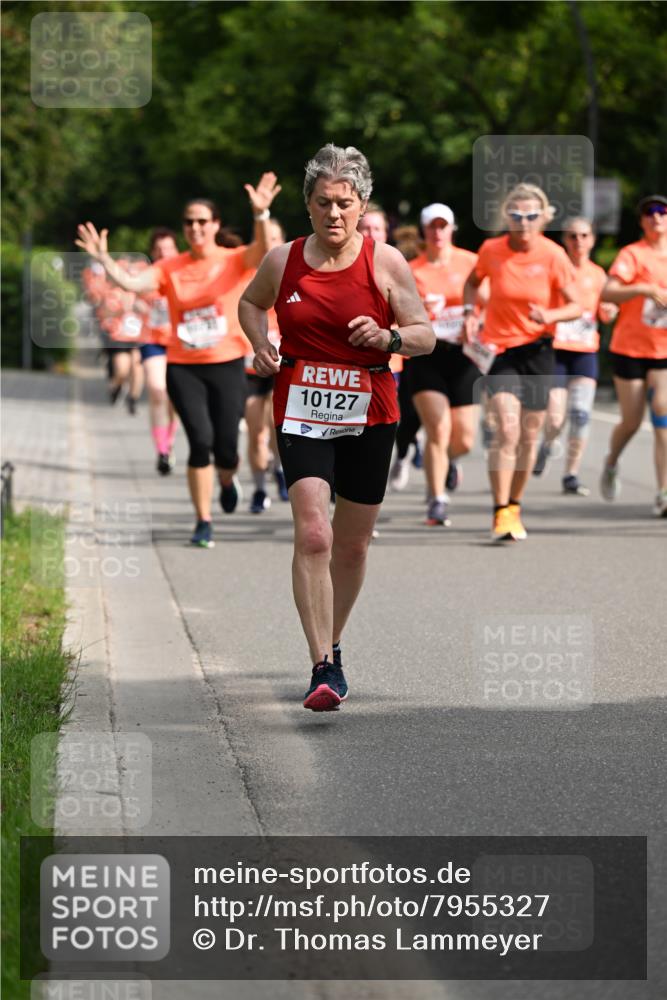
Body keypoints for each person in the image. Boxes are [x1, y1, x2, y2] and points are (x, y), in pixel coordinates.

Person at [239, 144, 434, 711]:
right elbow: (250, 304)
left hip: (371, 408)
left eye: (344, 204)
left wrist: (390, 338)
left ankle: (336, 641)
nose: (333, 214)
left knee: (350, 545)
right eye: (323, 203)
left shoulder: (386, 261)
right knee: (315, 533)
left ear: (362, 204)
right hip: (301, 405)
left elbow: (424, 332)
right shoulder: (284, 259)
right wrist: (260, 343)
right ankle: (321, 664)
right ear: (308, 205)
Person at [76, 172, 282, 547]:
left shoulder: (234, 259)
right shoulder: (171, 267)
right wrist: (103, 258)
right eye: (189, 222)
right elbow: (132, 284)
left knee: (225, 447)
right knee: (199, 442)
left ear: (215, 225)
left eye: (203, 221)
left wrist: (261, 214)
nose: (195, 228)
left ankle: (225, 476)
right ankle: (203, 520)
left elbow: (264, 250)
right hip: (184, 366)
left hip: (227, 363)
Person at [462, 183, 581, 541]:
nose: (524, 222)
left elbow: (576, 305)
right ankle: (500, 511)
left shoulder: (553, 255)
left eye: (531, 216)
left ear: (543, 217)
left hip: (539, 350)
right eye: (516, 215)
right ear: (507, 218)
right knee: (507, 429)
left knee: (530, 435)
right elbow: (472, 283)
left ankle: (515, 504)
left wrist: (550, 313)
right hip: (500, 351)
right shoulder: (491, 250)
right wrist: (470, 311)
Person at [408, 203, 482, 525]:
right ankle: (437, 499)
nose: (438, 232)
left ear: (452, 228)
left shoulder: (472, 262)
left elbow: (491, 299)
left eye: (443, 226)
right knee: (438, 429)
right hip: (426, 356)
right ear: (424, 231)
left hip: (465, 354)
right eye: (432, 227)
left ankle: (446, 462)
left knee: (464, 437)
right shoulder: (412, 269)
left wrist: (475, 318)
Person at [532, 217, 616, 495]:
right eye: (572, 236)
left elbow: (604, 310)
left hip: (585, 351)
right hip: (557, 350)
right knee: (555, 418)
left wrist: (609, 312)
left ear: (592, 240)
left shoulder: (598, 274)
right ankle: (546, 445)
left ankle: (571, 474)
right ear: (564, 241)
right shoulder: (555, 269)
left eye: (583, 236)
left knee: (580, 415)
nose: (578, 242)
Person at [600, 194, 667, 516]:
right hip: (630, 347)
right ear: (641, 221)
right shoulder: (632, 255)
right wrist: (642, 289)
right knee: (631, 420)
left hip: (664, 349)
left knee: (663, 411)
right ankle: (611, 461)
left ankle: (664, 492)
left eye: (662, 212)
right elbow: (608, 291)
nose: (656, 217)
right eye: (649, 213)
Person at [237, 219, 289, 512]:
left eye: (274, 237)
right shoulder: (244, 272)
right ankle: (258, 488)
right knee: (256, 430)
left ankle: (280, 468)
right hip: (249, 364)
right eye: (264, 238)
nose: (269, 243)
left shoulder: (293, 271)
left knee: (276, 425)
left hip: (283, 363)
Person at [137, 228, 180, 474]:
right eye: (159, 249)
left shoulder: (184, 273)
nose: (164, 253)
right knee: (156, 390)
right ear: (153, 252)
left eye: (168, 248)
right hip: (152, 340)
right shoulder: (147, 277)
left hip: (179, 343)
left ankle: (169, 442)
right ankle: (162, 451)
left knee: (173, 398)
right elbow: (130, 299)